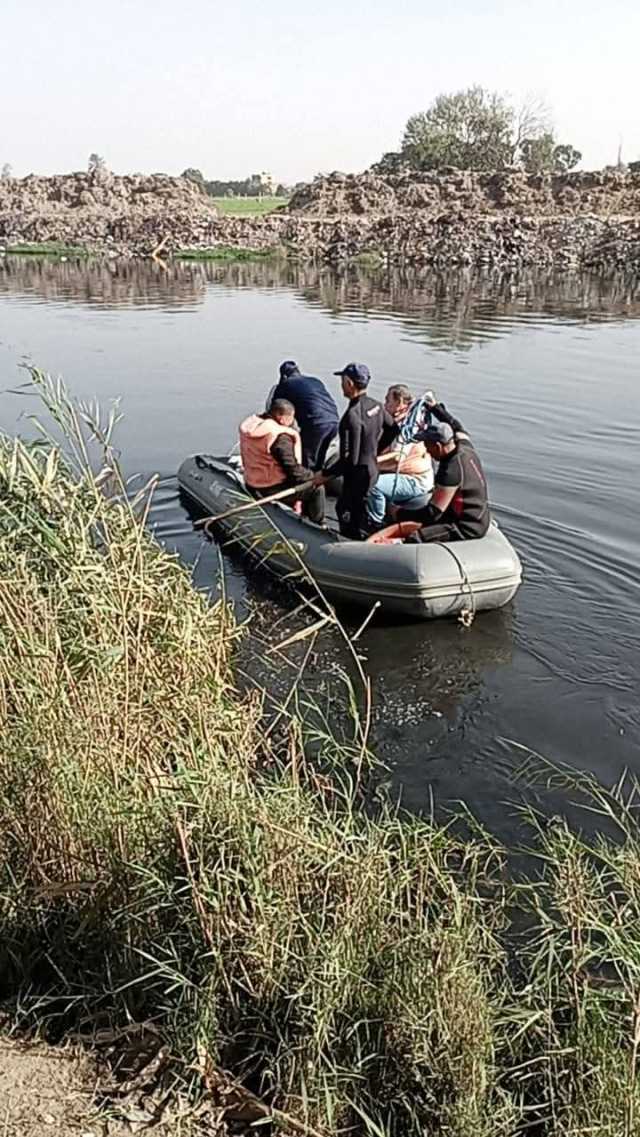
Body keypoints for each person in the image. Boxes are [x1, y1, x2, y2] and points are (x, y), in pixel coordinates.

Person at [317, 363, 395, 540]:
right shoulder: (376, 406)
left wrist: (325, 474)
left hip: (357, 476)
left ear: (349, 383)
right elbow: (393, 429)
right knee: (361, 509)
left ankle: (352, 544)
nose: (341, 385)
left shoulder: (351, 416)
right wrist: (376, 449)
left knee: (345, 510)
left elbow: (349, 459)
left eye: (343, 381)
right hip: (372, 470)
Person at [395, 403, 490, 543]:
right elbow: (457, 426)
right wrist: (435, 408)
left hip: (466, 526)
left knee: (414, 538)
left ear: (438, 446)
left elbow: (433, 513)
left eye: (428, 446)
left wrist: (399, 513)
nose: (427, 451)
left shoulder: (451, 470)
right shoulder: (465, 447)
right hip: (478, 516)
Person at [238, 398, 325, 525]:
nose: (292, 421)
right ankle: (318, 525)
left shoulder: (252, 426)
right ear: (281, 418)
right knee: (317, 489)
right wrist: (313, 477)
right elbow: (292, 469)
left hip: (252, 481)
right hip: (271, 487)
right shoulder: (280, 438)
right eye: (291, 417)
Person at [366, 384, 434, 528]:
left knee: (373, 485)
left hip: (415, 479)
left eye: (388, 401)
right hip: (402, 473)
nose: (385, 404)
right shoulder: (395, 422)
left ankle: (376, 523)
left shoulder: (408, 427)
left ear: (400, 402)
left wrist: (370, 462)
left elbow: (398, 457)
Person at [269, 360, 339, 470]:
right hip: (334, 421)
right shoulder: (315, 380)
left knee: (306, 459)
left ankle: (306, 479)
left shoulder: (285, 384)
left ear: (284, 376)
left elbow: (275, 407)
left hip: (316, 424)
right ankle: (317, 475)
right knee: (319, 458)